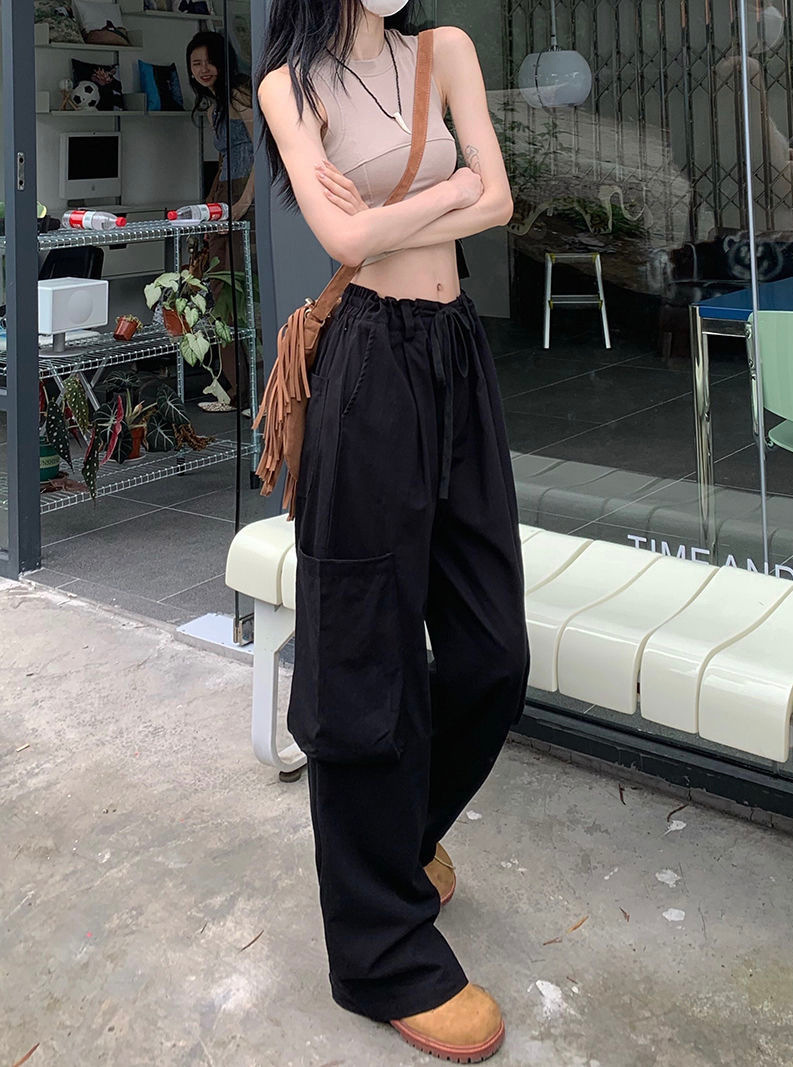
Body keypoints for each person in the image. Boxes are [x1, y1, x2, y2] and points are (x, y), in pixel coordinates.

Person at [257, 1, 529, 1061]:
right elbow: (341, 242)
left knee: (490, 650)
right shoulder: (291, 87)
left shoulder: (444, 52)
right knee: (365, 649)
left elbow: (498, 199)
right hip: (368, 362)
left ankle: (400, 835)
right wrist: (450, 194)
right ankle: (380, 953)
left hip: (454, 354)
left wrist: (418, 208)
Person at [187, 31, 256, 412]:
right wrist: (211, 204)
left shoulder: (239, 94)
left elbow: (263, 148)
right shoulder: (213, 104)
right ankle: (236, 388)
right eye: (196, 63)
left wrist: (244, 201)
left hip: (244, 194)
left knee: (238, 289)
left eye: (209, 61)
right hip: (224, 194)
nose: (203, 70)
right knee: (220, 290)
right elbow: (225, 158)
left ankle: (252, 389)